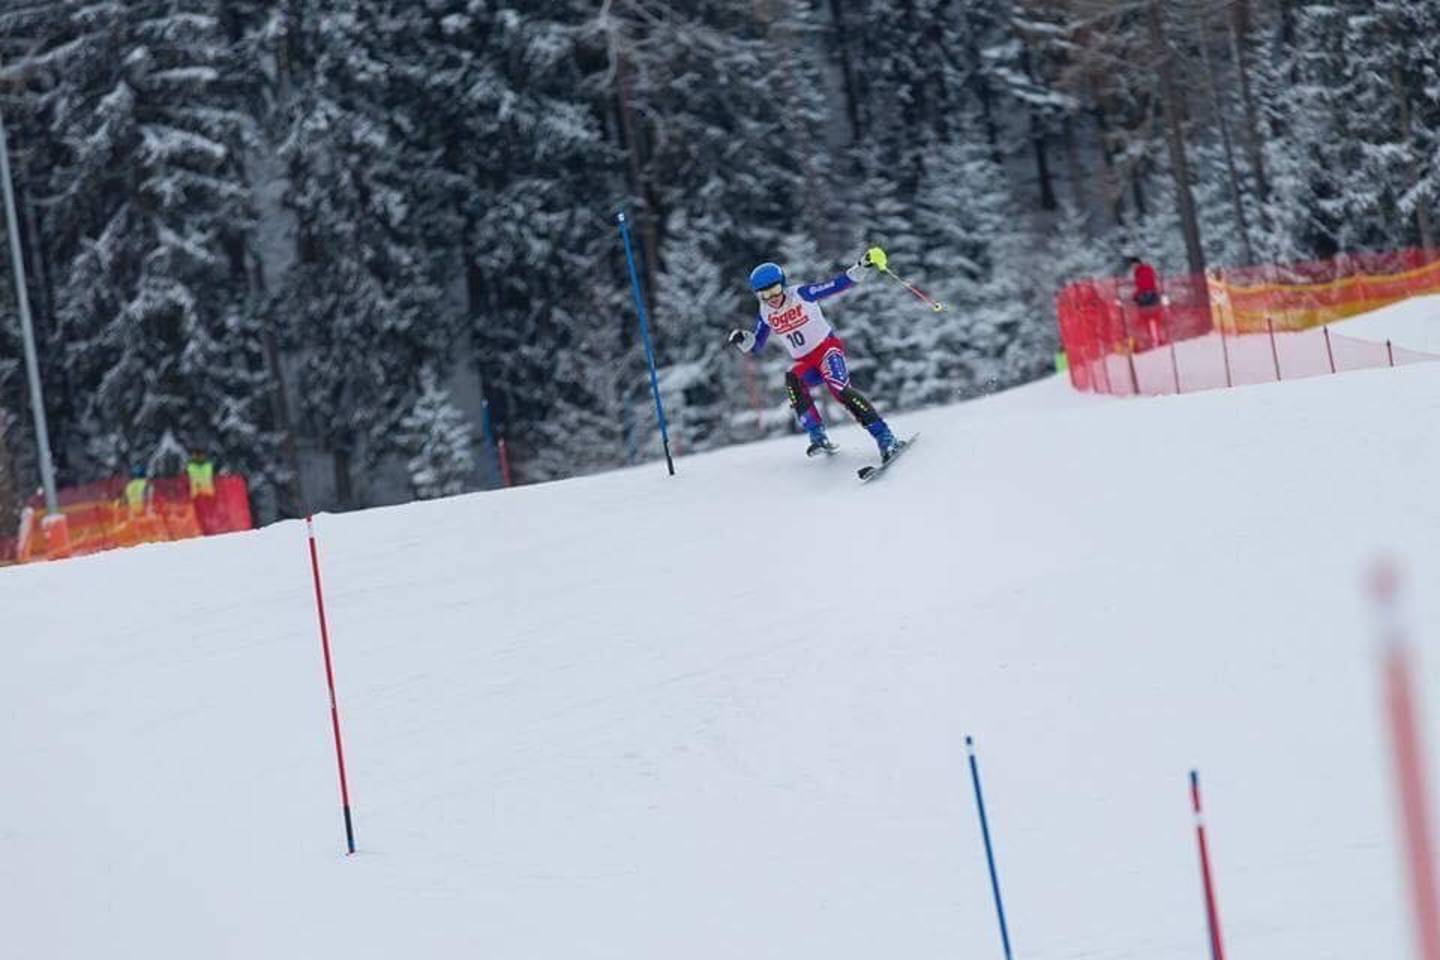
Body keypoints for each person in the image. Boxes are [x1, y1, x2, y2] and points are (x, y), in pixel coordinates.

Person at [728, 247, 902, 461]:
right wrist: (743, 340)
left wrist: (862, 265)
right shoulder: (766, 312)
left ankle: (886, 438)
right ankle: (817, 435)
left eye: (774, 290)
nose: (771, 298)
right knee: (793, 378)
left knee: (840, 391)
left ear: (782, 284)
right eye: (764, 295)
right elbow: (756, 345)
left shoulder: (801, 294)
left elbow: (838, 284)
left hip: (827, 350)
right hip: (806, 362)